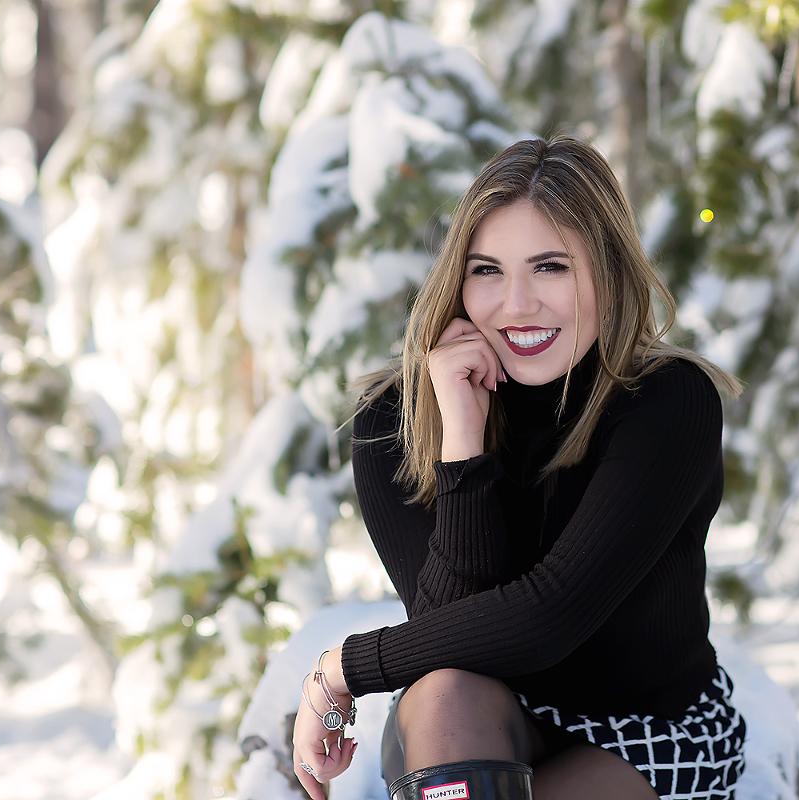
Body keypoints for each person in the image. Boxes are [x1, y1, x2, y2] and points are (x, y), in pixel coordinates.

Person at [291, 136, 747, 800]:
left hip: (650, 727)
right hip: (476, 717)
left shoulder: (666, 401)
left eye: (551, 267)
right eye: (487, 270)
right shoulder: (396, 420)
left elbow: (550, 617)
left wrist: (343, 668)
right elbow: (447, 640)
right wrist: (462, 439)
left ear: (608, 271)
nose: (517, 305)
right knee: (446, 695)